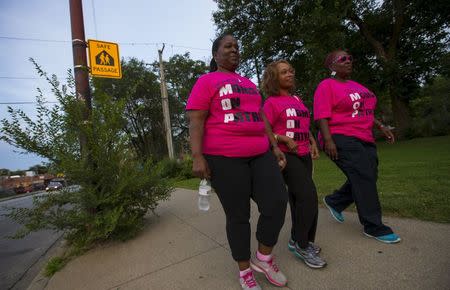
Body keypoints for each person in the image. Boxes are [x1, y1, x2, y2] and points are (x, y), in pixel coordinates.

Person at [186, 34, 289, 290]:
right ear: (215, 54)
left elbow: (260, 117)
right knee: (238, 216)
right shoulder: (206, 81)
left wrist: (274, 146)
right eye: (228, 46)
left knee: (276, 201)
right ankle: (245, 272)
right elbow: (196, 120)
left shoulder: (248, 84)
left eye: (237, 47)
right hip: (224, 158)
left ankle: (264, 258)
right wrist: (198, 156)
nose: (234, 50)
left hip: (260, 152)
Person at [313, 49, 401, 244]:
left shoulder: (357, 86)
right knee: (363, 174)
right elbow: (321, 115)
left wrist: (381, 127)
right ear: (331, 66)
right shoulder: (326, 86)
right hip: (340, 136)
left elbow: (365, 112)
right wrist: (328, 140)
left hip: (364, 137)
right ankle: (374, 226)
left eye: (350, 58)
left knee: (369, 174)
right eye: (342, 59)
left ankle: (336, 201)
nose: (348, 61)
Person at [262, 60, 327, 269]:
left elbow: (303, 124)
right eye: (283, 72)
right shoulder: (271, 103)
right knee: (308, 196)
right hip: (288, 156)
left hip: (304, 153)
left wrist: (313, 141)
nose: (290, 74)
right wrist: (281, 138)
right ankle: (302, 244)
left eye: (291, 70)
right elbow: (265, 131)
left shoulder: (297, 99)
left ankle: (296, 239)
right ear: (274, 78)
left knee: (300, 199)